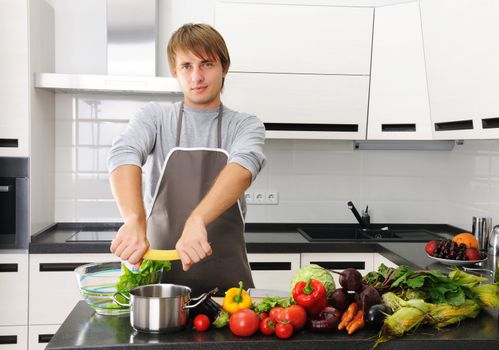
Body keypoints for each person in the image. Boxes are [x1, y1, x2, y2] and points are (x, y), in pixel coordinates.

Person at [107, 23, 266, 294]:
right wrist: (134, 219)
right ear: (175, 71)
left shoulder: (245, 125)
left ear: (224, 68)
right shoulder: (155, 117)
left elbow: (243, 167)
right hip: (159, 291)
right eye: (186, 66)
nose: (197, 76)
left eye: (206, 64)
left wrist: (197, 220)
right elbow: (124, 153)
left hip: (228, 291)